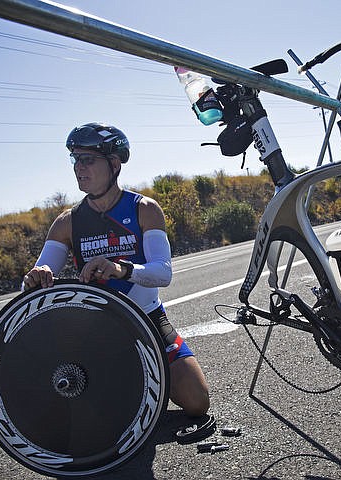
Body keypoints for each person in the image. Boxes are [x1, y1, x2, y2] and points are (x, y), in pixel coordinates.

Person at [22, 123, 213, 439]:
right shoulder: (67, 222)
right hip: (97, 328)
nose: (79, 169)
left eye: (87, 160)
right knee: (97, 420)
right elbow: (31, 285)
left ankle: (141, 387)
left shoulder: (144, 209)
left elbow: (163, 273)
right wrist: (36, 277)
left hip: (149, 317)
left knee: (197, 402)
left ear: (114, 164)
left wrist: (121, 269)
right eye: (75, 160)